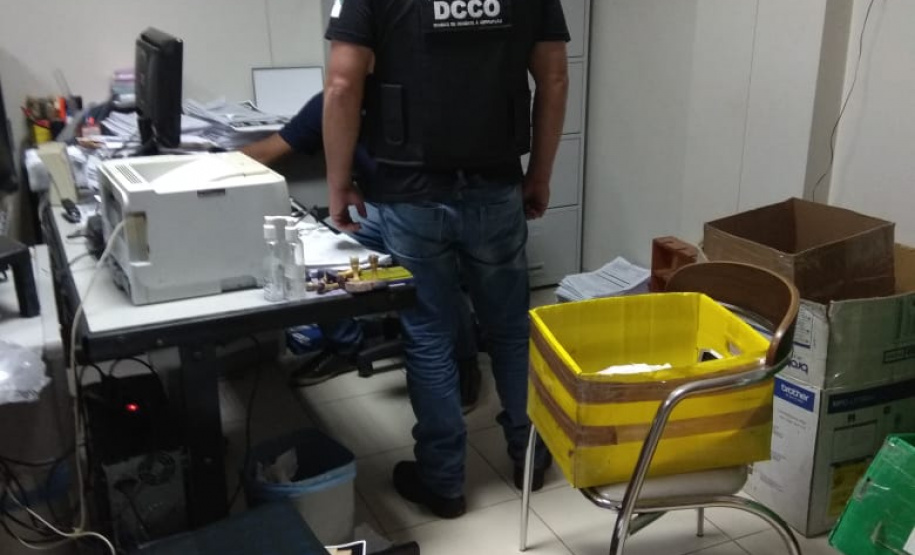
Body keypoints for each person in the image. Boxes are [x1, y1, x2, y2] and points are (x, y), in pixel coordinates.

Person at [324, 0, 570, 518]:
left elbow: (343, 84)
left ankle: (443, 481)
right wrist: (540, 174)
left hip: (410, 189)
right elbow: (553, 79)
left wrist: (339, 182)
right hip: (495, 182)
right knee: (510, 330)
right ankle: (530, 455)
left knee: (429, 335)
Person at [241, 92, 482, 411]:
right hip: (377, 211)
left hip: (434, 210)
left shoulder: (422, 93)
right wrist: (208, 164)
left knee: (436, 271)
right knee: (307, 252)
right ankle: (345, 345)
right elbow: (268, 150)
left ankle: (463, 360)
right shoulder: (337, 100)